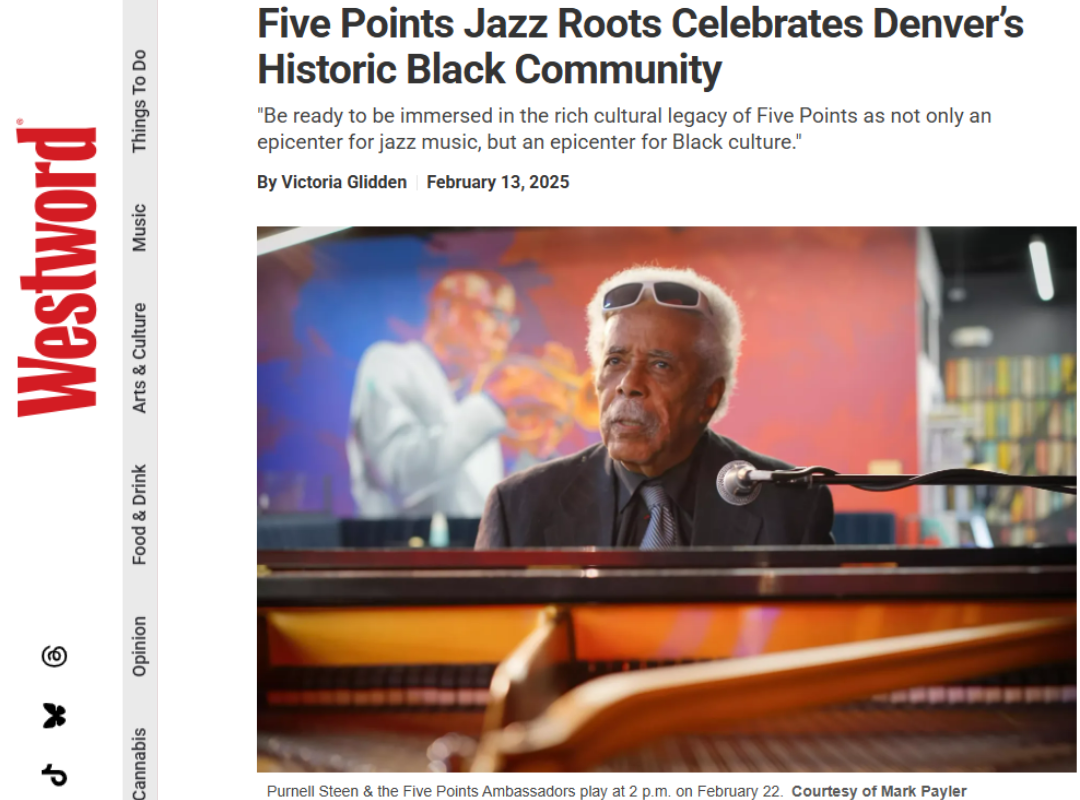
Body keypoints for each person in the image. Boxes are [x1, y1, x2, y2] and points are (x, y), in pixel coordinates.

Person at [475, 265, 834, 548]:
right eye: (615, 361)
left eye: (661, 365)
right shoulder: (518, 508)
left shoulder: (790, 506)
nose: (629, 384)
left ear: (709, 397)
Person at [347, 270, 517, 518]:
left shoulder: (474, 394)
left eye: (511, 321)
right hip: (399, 552)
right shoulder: (388, 362)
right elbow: (399, 474)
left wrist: (542, 442)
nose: (504, 333)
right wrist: (495, 402)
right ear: (445, 310)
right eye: (495, 314)